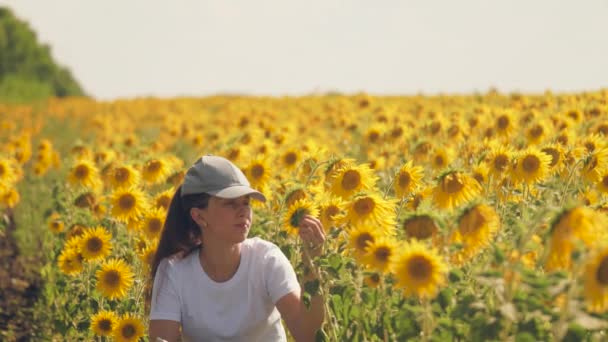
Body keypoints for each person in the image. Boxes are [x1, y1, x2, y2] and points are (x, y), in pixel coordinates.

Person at [148, 155, 326, 342]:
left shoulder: (266, 260)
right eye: (230, 203)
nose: (243, 212)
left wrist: (312, 263)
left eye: (246, 203)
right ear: (199, 217)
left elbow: (307, 336)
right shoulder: (174, 271)